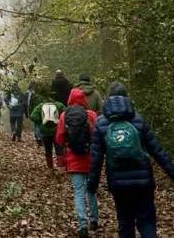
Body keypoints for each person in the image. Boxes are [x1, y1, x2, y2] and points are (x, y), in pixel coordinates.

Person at [87, 82, 174, 238]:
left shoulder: (101, 124)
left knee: (125, 223)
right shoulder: (138, 120)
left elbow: (96, 158)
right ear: (127, 97)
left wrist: (92, 185)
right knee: (146, 222)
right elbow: (157, 151)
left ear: (107, 98)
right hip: (143, 182)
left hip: (118, 183)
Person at [56, 88, 99, 237]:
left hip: (73, 159)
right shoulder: (92, 115)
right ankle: (94, 220)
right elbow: (98, 136)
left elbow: (59, 139)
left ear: (69, 99)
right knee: (91, 190)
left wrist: (62, 161)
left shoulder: (64, 116)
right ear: (83, 100)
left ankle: (82, 225)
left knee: (79, 192)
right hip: (90, 159)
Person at [29, 89, 65, 170]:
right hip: (57, 131)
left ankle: (50, 169)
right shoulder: (59, 105)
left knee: (48, 150)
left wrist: (41, 123)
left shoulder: (40, 106)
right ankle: (60, 168)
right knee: (59, 149)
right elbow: (66, 113)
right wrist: (60, 122)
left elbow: (33, 116)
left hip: (45, 132)